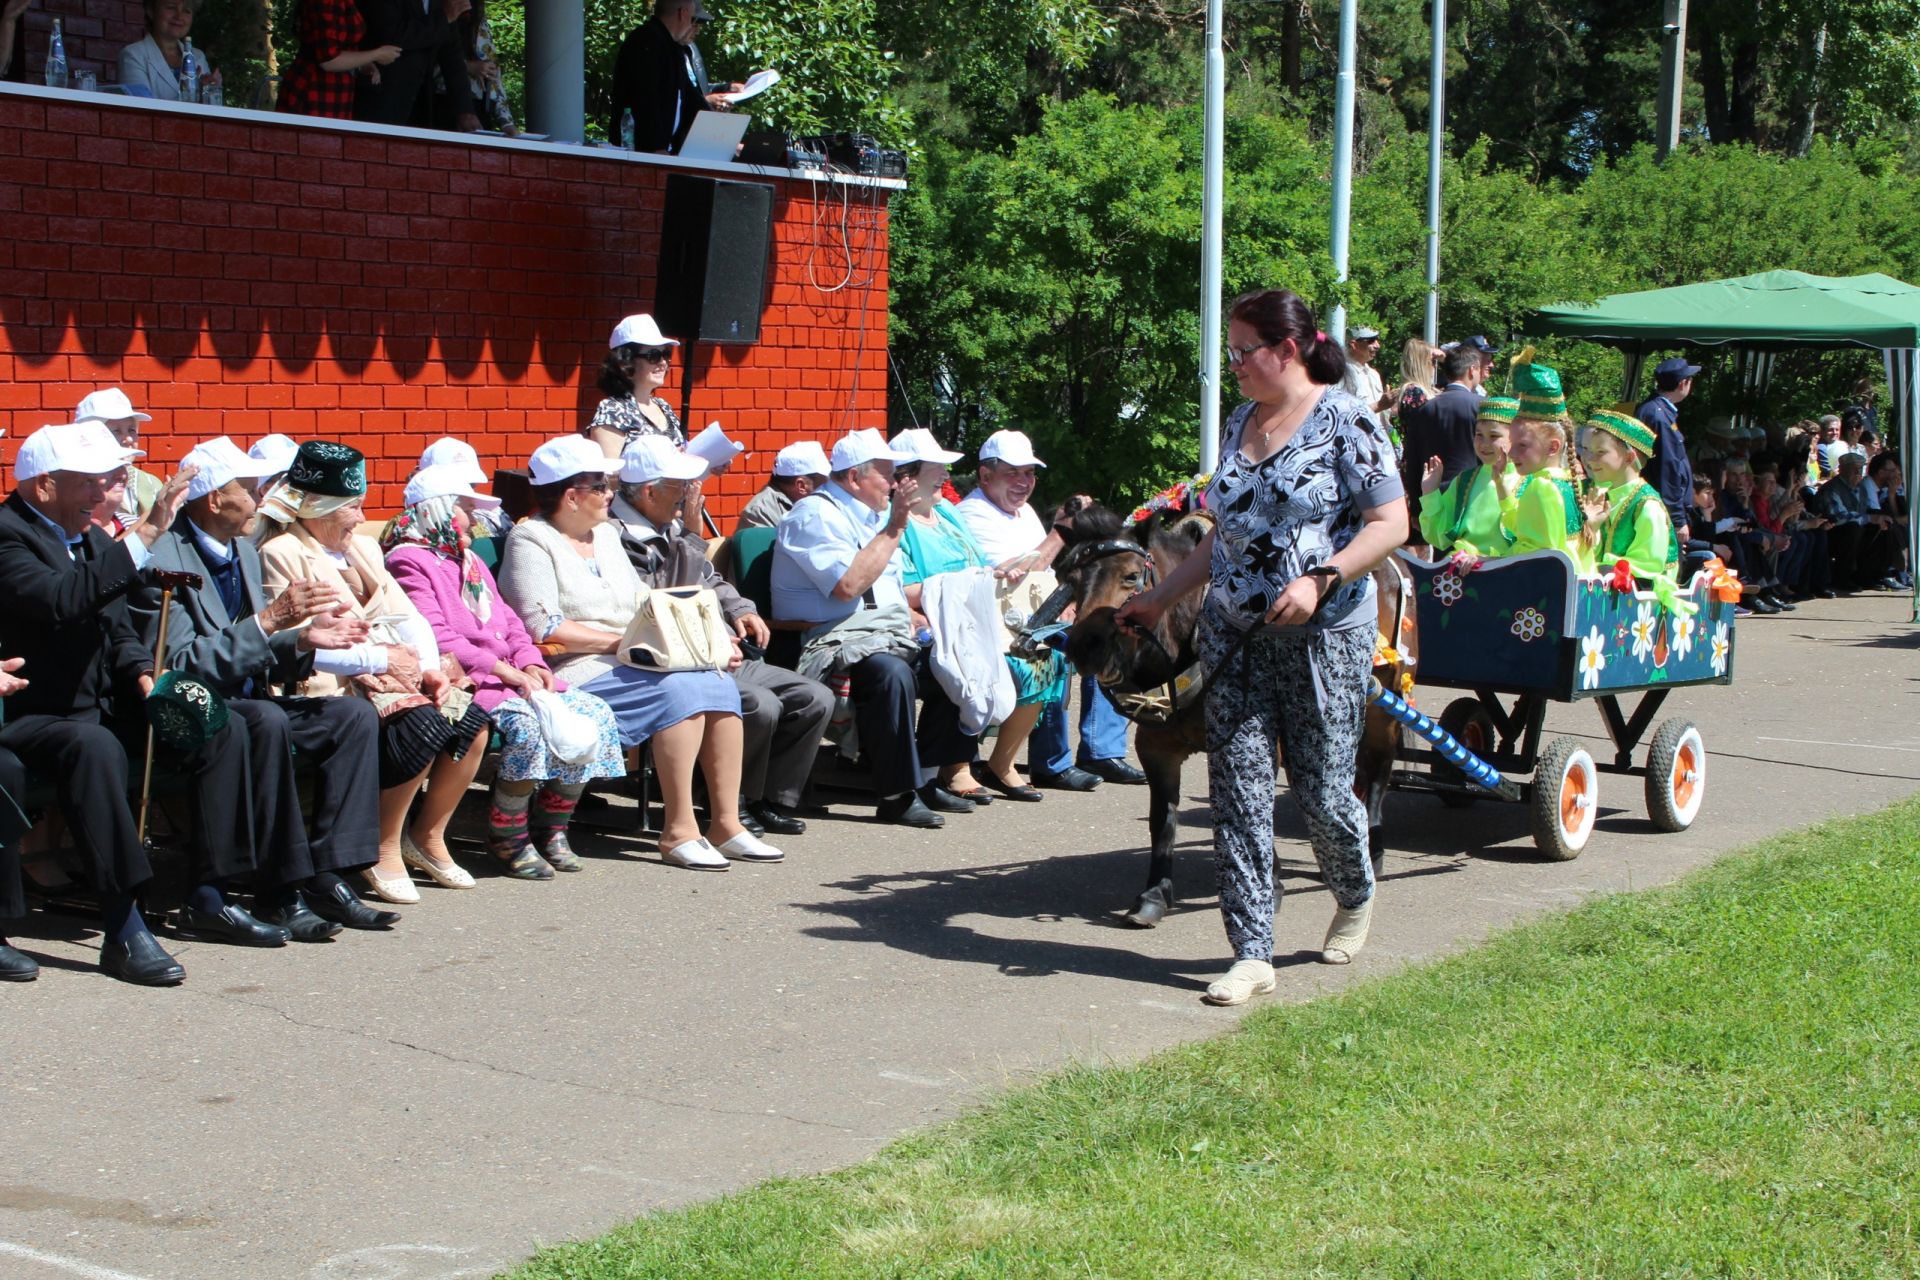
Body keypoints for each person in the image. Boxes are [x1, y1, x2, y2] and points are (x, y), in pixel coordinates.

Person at [1116, 289, 1407, 1006]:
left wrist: (1322, 578)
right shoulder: (1240, 422)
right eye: (1233, 352)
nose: (1236, 365)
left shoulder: (1349, 421)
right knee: (1239, 792)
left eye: (1245, 351)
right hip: (1233, 633)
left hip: (1323, 636)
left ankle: (1353, 887)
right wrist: (1159, 595)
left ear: (1289, 349)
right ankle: (1251, 952)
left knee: (1320, 793)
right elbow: (1225, 534)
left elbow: (1391, 522)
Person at [0, 423, 257, 984]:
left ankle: (211, 892)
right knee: (92, 746)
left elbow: (117, 631)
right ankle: (124, 925)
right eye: (89, 483)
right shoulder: (7, 536)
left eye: (103, 481)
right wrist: (146, 532)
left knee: (219, 721)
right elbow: (63, 600)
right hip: (28, 716)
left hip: (95, 708)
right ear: (44, 486)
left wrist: (146, 675)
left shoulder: (89, 538)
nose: (103, 493)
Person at [132, 436, 399, 935]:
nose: (263, 500)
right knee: (266, 718)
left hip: (252, 702)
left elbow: (263, 647)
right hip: (197, 712)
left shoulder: (243, 551)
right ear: (215, 500)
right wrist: (272, 622)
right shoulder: (163, 560)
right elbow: (181, 664)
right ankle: (278, 889)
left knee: (352, 717)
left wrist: (302, 641)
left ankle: (325, 872)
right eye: (252, 489)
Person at [498, 436, 774, 870]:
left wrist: (702, 642)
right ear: (572, 496)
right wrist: (624, 643)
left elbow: (643, 602)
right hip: (575, 666)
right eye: (602, 486)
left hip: (635, 659)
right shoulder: (531, 539)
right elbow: (543, 626)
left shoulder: (605, 536)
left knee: (717, 683)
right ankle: (679, 830)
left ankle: (724, 825)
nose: (612, 492)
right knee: (682, 692)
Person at [258, 442, 494, 904]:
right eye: (353, 507)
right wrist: (384, 661)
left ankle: (426, 835)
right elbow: (304, 645)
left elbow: (409, 618)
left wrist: (429, 670)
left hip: (392, 672)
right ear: (322, 509)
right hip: (331, 683)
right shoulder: (282, 552)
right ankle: (382, 844)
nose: (360, 517)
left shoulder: (363, 548)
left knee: (471, 719)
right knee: (422, 725)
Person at [385, 465, 624, 879]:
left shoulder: (469, 558)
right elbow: (437, 636)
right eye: (465, 507)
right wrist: (504, 670)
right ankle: (508, 833)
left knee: (595, 713)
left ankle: (552, 827)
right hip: (470, 677)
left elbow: (511, 621)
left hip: (513, 674)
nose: (475, 517)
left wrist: (529, 659)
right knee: (529, 728)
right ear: (438, 511)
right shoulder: (409, 560)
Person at [610, 436, 830, 837]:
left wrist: (740, 608)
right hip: (674, 655)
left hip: (712, 646)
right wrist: (692, 537)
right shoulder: (619, 536)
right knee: (759, 705)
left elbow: (710, 581)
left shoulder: (666, 521)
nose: (690, 495)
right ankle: (725, 803)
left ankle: (768, 798)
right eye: (681, 486)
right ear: (647, 490)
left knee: (813, 697)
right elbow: (667, 598)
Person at [771, 428, 977, 829]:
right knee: (891, 672)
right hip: (826, 637)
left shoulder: (871, 513)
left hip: (877, 629)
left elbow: (889, 586)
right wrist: (895, 527)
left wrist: (910, 614)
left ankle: (927, 776)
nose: (897, 483)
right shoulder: (814, 515)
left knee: (955, 659)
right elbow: (848, 586)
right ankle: (896, 796)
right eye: (888, 474)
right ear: (853, 478)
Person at [955, 429, 1144, 790]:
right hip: (997, 621)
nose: (1023, 483)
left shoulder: (1021, 512)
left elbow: (1046, 573)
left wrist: (1072, 603)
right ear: (985, 475)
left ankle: (1103, 751)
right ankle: (1051, 763)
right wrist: (1060, 531)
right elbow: (1010, 576)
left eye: (1029, 473)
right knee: (1061, 651)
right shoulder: (972, 513)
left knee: (1108, 631)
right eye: (1013, 473)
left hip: (1030, 615)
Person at [893, 429, 1066, 804]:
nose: (946, 477)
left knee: (1042, 656)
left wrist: (996, 574)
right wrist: (968, 584)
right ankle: (951, 766)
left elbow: (981, 567)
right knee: (971, 660)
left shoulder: (947, 513)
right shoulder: (897, 523)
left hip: (972, 616)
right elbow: (905, 590)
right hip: (933, 620)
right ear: (907, 477)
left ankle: (975, 763)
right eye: (937, 469)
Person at [1578, 410, 1692, 613]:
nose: (1587, 458)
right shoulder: (1590, 493)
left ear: (1629, 457)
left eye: (1600, 452)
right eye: (1585, 449)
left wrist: (1599, 568)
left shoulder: (1647, 505)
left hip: (1640, 603)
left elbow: (1647, 566)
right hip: (1600, 594)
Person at [1490, 361, 1596, 574]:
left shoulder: (1541, 487)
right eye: (1512, 443)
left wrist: (1487, 561)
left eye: (1523, 445)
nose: (1511, 453)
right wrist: (1501, 485)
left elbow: (1533, 555)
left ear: (1552, 447)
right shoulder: (1567, 482)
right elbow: (1523, 527)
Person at [1417, 394, 1519, 559]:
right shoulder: (1465, 481)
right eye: (1479, 434)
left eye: (1494, 436)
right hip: (1464, 573)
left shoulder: (1528, 481)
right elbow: (1439, 536)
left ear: (1514, 438)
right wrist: (1430, 493)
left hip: (1508, 573)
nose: (1484, 444)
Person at [1399, 346, 1484, 534]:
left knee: (1441, 561)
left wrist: (1416, 509)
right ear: (1472, 370)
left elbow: (1413, 461)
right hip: (1474, 497)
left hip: (1434, 497)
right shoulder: (1481, 407)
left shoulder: (1424, 410)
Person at [353, 0, 475, 129]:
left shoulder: (439, 3)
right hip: (380, 98)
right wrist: (443, 18)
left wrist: (465, 111)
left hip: (422, 104)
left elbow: (452, 57)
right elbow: (391, 36)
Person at [608, 0, 711, 153]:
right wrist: (656, 147)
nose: (692, 26)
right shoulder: (645, 41)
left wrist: (719, 134)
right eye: (692, 19)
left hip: (664, 151)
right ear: (683, 14)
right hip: (637, 152)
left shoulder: (673, 48)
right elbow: (645, 99)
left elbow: (690, 99)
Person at [277, 0, 400, 119]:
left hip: (334, 90)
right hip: (316, 90)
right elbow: (328, 60)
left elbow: (338, 45)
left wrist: (363, 61)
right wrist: (376, 54)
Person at [585, 314, 685, 455]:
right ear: (626, 362)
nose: (663, 363)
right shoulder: (613, 410)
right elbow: (608, 474)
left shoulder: (663, 406)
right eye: (653, 356)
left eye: (666, 355)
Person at [74, 388, 162, 527]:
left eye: (132, 430)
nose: (128, 438)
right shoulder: (74, 486)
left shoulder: (152, 484)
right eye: (116, 431)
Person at [1637, 356, 1699, 551]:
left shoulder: (1657, 410)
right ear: (1683, 384)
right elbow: (1667, 467)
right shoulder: (1658, 416)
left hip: (1660, 505)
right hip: (1663, 509)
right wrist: (1678, 518)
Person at [118, 0, 220, 102]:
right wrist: (191, 93)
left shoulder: (198, 57)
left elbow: (209, 112)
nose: (179, 16)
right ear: (151, 11)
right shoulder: (133, 55)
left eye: (186, 11)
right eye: (171, 7)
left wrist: (210, 91)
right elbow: (139, 110)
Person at [735, 441, 828, 533]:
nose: (829, 488)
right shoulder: (759, 512)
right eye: (825, 484)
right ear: (802, 486)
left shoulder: (815, 503)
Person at [1338, 326, 1394, 430]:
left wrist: (1393, 404)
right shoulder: (1341, 373)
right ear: (1354, 345)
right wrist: (1379, 405)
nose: (1377, 345)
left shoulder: (1374, 374)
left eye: (1377, 340)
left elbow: (1381, 416)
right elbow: (1341, 414)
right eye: (1371, 341)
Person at [1393, 337, 1440, 422]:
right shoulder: (1414, 392)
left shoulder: (1413, 390)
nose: (1436, 366)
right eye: (1433, 361)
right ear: (1422, 364)